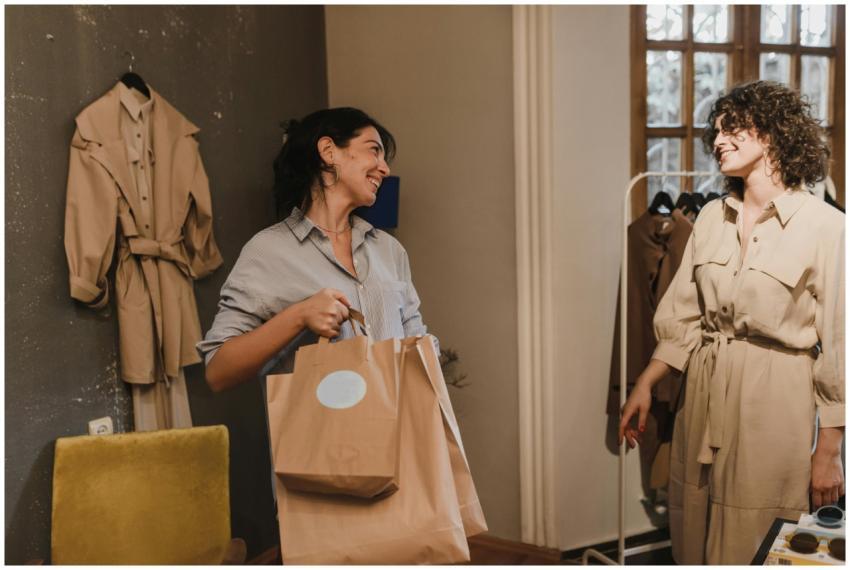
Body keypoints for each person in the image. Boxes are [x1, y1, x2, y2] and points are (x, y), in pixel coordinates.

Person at [619, 81, 844, 564]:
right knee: (693, 525)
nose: (718, 140)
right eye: (716, 131)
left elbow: (841, 351)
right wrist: (646, 382)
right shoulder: (710, 219)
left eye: (732, 128)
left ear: (773, 133)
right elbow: (683, 315)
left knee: (756, 532)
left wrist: (828, 453)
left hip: (775, 400)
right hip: (702, 394)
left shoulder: (827, 228)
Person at [197, 107, 429, 391]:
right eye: (374, 150)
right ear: (329, 151)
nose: (385, 168)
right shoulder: (268, 251)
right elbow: (218, 371)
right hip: (324, 434)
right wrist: (299, 316)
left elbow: (419, 350)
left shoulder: (390, 251)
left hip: (399, 432)